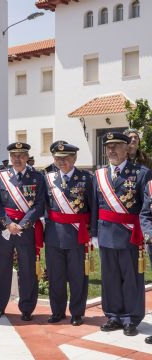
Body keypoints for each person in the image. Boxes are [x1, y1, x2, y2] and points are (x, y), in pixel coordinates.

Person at [92, 132, 150, 337]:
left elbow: (146, 208)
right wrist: (94, 234)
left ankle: (131, 318)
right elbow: (94, 207)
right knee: (110, 278)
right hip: (106, 233)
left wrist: (144, 233)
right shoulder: (99, 174)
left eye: (116, 146)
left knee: (132, 278)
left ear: (127, 148)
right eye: (108, 147)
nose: (112, 150)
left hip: (130, 235)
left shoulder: (141, 173)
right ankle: (113, 315)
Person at [0, 142, 45, 321]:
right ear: (10, 158)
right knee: (1, 269)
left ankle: (27, 307)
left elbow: (39, 204)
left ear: (27, 156)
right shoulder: (1, 177)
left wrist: (23, 224)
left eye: (21, 155)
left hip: (26, 230)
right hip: (5, 230)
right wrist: (7, 223)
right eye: (14, 156)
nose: (17, 159)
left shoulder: (37, 177)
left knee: (27, 269)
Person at [43, 141, 92, 326]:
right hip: (54, 233)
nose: (62, 161)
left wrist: (92, 233)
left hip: (77, 234)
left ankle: (77, 312)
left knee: (77, 276)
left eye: (66, 158)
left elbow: (92, 207)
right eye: (58, 158)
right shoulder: (47, 178)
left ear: (75, 158)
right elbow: (44, 206)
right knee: (56, 275)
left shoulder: (86, 178)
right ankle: (57, 311)